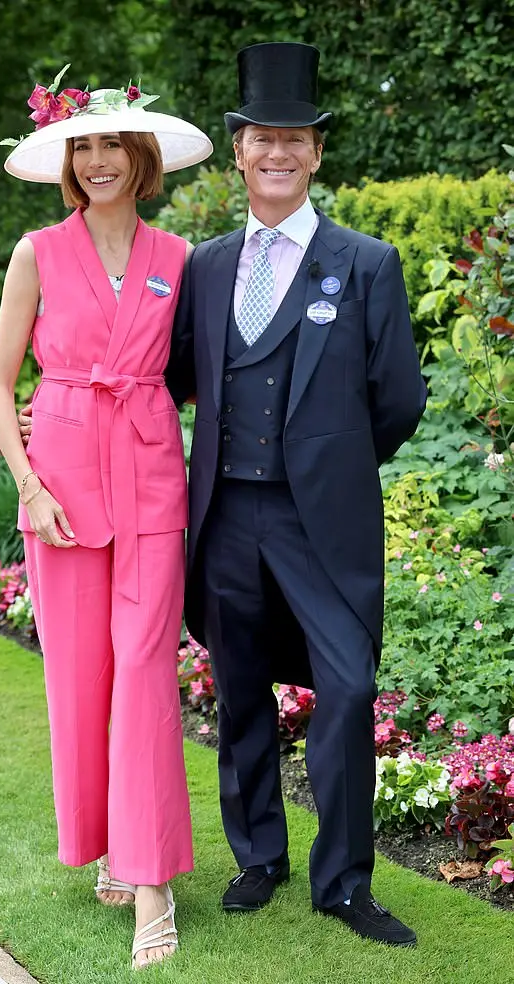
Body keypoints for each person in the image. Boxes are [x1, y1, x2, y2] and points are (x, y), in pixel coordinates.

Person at [165, 42, 427, 946]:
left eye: (295, 139)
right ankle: (259, 858)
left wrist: (333, 463)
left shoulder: (366, 263)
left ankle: (346, 881)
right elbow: (169, 381)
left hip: (325, 523)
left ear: (316, 154)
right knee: (239, 689)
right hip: (228, 515)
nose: (277, 153)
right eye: (261, 138)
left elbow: (398, 400)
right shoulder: (204, 266)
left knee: (347, 691)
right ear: (238, 152)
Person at [0, 70, 212, 969]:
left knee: (147, 672)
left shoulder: (181, 258)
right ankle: (109, 847)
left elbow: (194, 373)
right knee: (81, 676)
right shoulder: (36, 252)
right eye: (84, 145)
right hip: (64, 490)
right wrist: (32, 486)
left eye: (113, 143)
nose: (100, 158)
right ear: (68, 160)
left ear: (140, 156)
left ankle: (151, 882)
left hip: (153, 476)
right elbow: (1, 387)